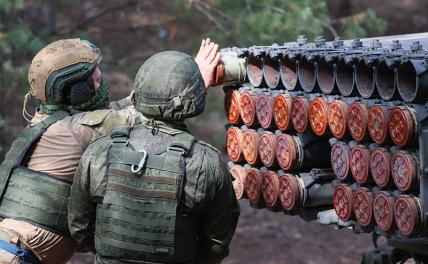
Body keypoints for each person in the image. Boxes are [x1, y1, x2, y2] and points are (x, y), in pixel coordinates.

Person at [0, 38, 221, 264]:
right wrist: (194, 80)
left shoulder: (51, 122)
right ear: (78, 91)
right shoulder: (76, 129)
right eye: (96, 80)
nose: (102, 83)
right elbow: (150, 113)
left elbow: (118, 111)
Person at [68, 51, 240, 264]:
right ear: (195, 100)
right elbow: (216, 243)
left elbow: (79, 227)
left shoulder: (98, 152)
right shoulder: (206, 162)